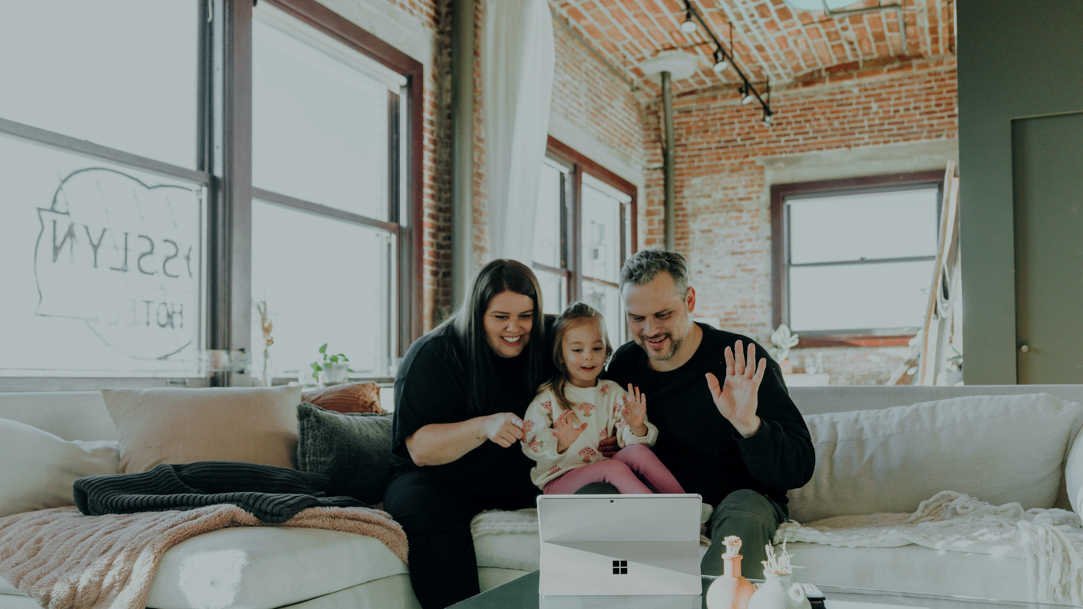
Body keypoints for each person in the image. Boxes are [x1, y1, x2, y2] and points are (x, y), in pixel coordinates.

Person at [593, 249, 815, 579]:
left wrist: (750, 427)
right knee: (593, 497)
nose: (650, 330)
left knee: (744, 512)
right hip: (655, 500)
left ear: (690, 300)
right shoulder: (624, 364)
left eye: (663, 314)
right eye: (636, 318)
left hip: (739, 501)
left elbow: (798, 468)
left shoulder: (742, 359)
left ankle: (716, 598)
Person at [383, 259, 549, 609]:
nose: (515, 328)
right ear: (477, 313)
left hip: (518, 474)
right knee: (429, 516)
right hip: (439, 477)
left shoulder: (547, 341)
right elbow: (420, 449)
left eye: (526, 316)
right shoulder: (434, 354)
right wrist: (484, 426)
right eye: (500, 317)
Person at [521, 302, 684, 495]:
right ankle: (660, 511)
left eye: (597, 348)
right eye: (577, 350)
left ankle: (687, 505)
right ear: (561, 354)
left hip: (604, 472)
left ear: (606, 351)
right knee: (613, 468)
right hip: (559, 482)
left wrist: (636, 427)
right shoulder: (548, 398)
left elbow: (633, 442)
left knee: (637, 452)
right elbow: (529, 443)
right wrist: (560, 443)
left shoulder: (613, 392)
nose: (588, 356)